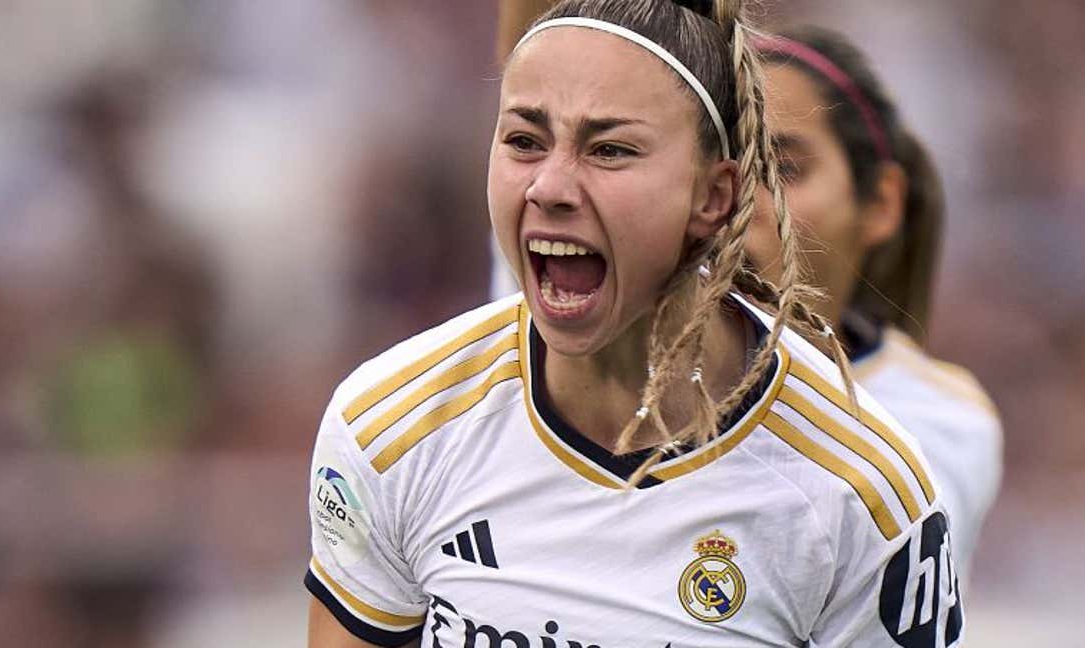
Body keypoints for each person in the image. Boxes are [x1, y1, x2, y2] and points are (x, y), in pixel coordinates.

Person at [307, 1, 961, 646]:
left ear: (714, 197)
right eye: (524, 142)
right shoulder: (392, 428)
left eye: (611, 149)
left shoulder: (858, 492)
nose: (549, 187)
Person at [747, 27, 1003, 578]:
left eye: (782, 168)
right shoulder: (560, 357)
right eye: (714, 163)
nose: (738, 202)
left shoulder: (933, 417)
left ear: (882, 201)